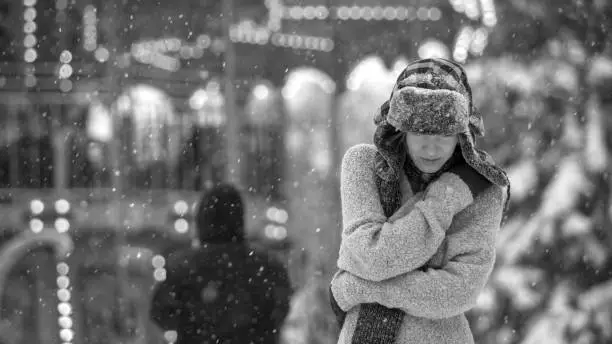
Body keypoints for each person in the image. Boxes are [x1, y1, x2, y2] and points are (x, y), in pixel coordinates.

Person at [329, 57, 511, 344]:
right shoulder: (363, 165)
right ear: (400, 128)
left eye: (444, 133)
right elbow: (375, 257)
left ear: (462, 132)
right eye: (421, 130)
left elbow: (456, 293)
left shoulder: (483, 192)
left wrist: (359, 287)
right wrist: (447, 198)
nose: (431, 146)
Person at [150, 183, 292, 344]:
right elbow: (280, 311)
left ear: (202, 220)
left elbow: (161, 314)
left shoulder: (182, 266)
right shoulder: (269, 267)